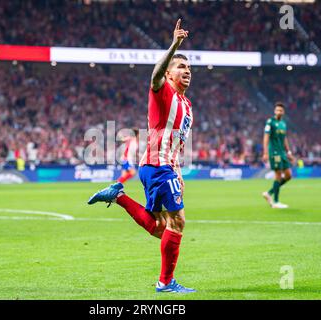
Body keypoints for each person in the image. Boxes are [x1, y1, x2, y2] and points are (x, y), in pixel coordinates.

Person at [88, 19, 195, 293]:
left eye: (189, 67)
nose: (187, 71)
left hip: (163, 166)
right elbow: (154, 76)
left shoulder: (187, 105)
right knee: (178, 222)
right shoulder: (163, 91)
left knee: (162, 227)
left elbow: (179, 144)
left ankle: (119, 196)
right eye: (181, 67)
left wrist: (179, 172)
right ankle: (165, 283)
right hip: (157, 166)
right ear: (169, 74)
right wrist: (174, 46)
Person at [262, 102, 295, 209]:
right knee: (278, 175)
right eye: (277, 110)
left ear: (283, 112)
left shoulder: (283, 124)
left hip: (282, 152)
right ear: (274, 111)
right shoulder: (270, 122)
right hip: (274, 152)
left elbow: (284, 138)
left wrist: (288, 152)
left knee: (288, 176)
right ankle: (275, 202)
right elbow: (266, 137)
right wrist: (265, 152)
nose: (279, 112)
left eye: (280, 110)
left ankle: (269, 193)